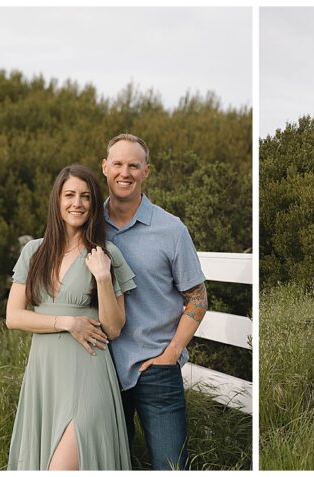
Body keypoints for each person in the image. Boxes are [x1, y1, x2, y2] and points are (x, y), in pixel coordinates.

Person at [6, 164, 136, 470]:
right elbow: (13, 317)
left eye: (86, 196)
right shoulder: (34, 253)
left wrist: (103, 278)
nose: (77, 203)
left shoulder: (106, 254)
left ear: (93, 204)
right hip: (45, 377)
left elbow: (114, 328)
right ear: (57, 200)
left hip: (89, 373)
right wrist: (67, 322)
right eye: (70, 195)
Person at [101, 133, 208, 470]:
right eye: (117, 163)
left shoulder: (171, 229)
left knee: (169, 465)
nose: (125, 172)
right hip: (99, 367)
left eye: (134, 165)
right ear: (104, 167)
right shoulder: (87, 225)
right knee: (108, 465)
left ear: (146, 171)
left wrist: (172, 353)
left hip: (156, 368)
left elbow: (197, 297)